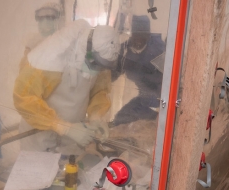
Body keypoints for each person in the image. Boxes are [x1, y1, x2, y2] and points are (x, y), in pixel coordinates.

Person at [13, 19, 120, 152]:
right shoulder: (50, 57)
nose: (98, 70)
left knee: (70, 171)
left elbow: (99, 91)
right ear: (87, 50)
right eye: (96, 64)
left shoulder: (100, 57)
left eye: (102, 66)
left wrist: (96, 115)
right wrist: (63, 127)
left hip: (73, 137)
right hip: (39, 138)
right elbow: (24, 98)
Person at [112, 15, 166, 126]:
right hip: (143, 100)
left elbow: (169, 81)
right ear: (131, 34)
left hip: (161, 102)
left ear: (148, 35)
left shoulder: (159, 51)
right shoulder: (125, 50)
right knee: (119, 119)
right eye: (135, 34)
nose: (138, 39)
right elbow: (112, 75)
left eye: (143, 35)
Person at [19, 2, 62, 72]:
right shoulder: (32, 42)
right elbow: (23, 69)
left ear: (57, 19)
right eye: (41, 18)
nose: (45, 21)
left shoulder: (62, 41)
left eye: (50, 17)